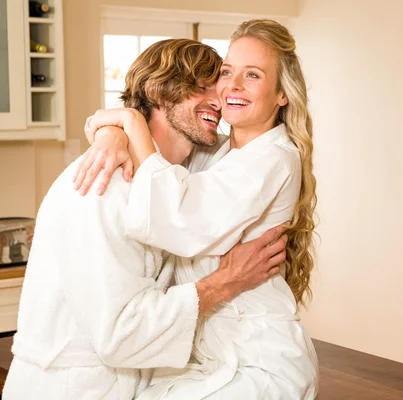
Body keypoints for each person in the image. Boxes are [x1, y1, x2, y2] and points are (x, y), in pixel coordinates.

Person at [3, 39, 289, 400]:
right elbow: (120, 332)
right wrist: (225, 282)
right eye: (201, 87)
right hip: (70, 389)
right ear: (159, 91)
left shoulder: (183, 175)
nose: (219, 100)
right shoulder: (101, 185)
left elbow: (254, 154)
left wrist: (117, 125)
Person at [76, 19, 319, 399]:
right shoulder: (218, 152)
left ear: (281, 94)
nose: (232, 86)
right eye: (227, 72)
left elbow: (181, 218)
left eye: (252, 75)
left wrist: (129, 121)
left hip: (258, 363)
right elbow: (165, 141)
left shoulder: (273, 158)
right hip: (203, 358)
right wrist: (113, 130)